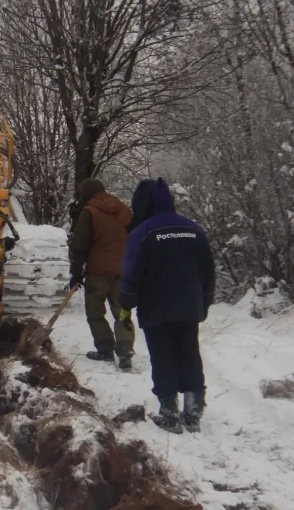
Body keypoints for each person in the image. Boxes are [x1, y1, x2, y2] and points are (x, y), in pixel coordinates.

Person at [118, 178, 214, 434]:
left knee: (163, 357)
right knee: (189, 354)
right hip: (189, 306)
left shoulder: (143, 232)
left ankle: (169, 414)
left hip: (156, 307)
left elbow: (131, 274)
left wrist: (125, 306)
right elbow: (208, 271)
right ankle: (193, 414)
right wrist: (203, 303)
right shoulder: (193, 229)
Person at [69, 178, 135, 369]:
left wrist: (76, 272)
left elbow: (80, 245)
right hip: (123, 269)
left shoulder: (89, 212)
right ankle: (125, 354)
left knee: (95, 312)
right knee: (122, 312)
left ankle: (105, 349)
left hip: (98, 271)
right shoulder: (124, 209)